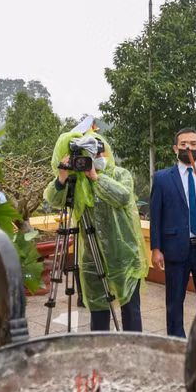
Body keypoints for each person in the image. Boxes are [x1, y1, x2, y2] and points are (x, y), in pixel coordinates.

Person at [43, 130, 149, 331]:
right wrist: (62, 178)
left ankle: (133, 346)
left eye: (99, 153)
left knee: (131, 310)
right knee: (98, 310)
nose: (97, 158)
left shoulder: (120, 174)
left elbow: (123, 197)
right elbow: (53, 199)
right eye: (92, 155)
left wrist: (95, 177)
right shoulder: (77, 181)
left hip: (124, 254)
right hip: (92, 255)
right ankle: (100, 345)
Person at [149, 128, 196, 338]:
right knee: (174, 302)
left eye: (192, 144)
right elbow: (156, 215)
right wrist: (156, 248)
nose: (188, 148)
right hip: (175, 249)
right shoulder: (162, 178)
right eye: (183, 144)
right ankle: (176, 342)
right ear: (175, 148)